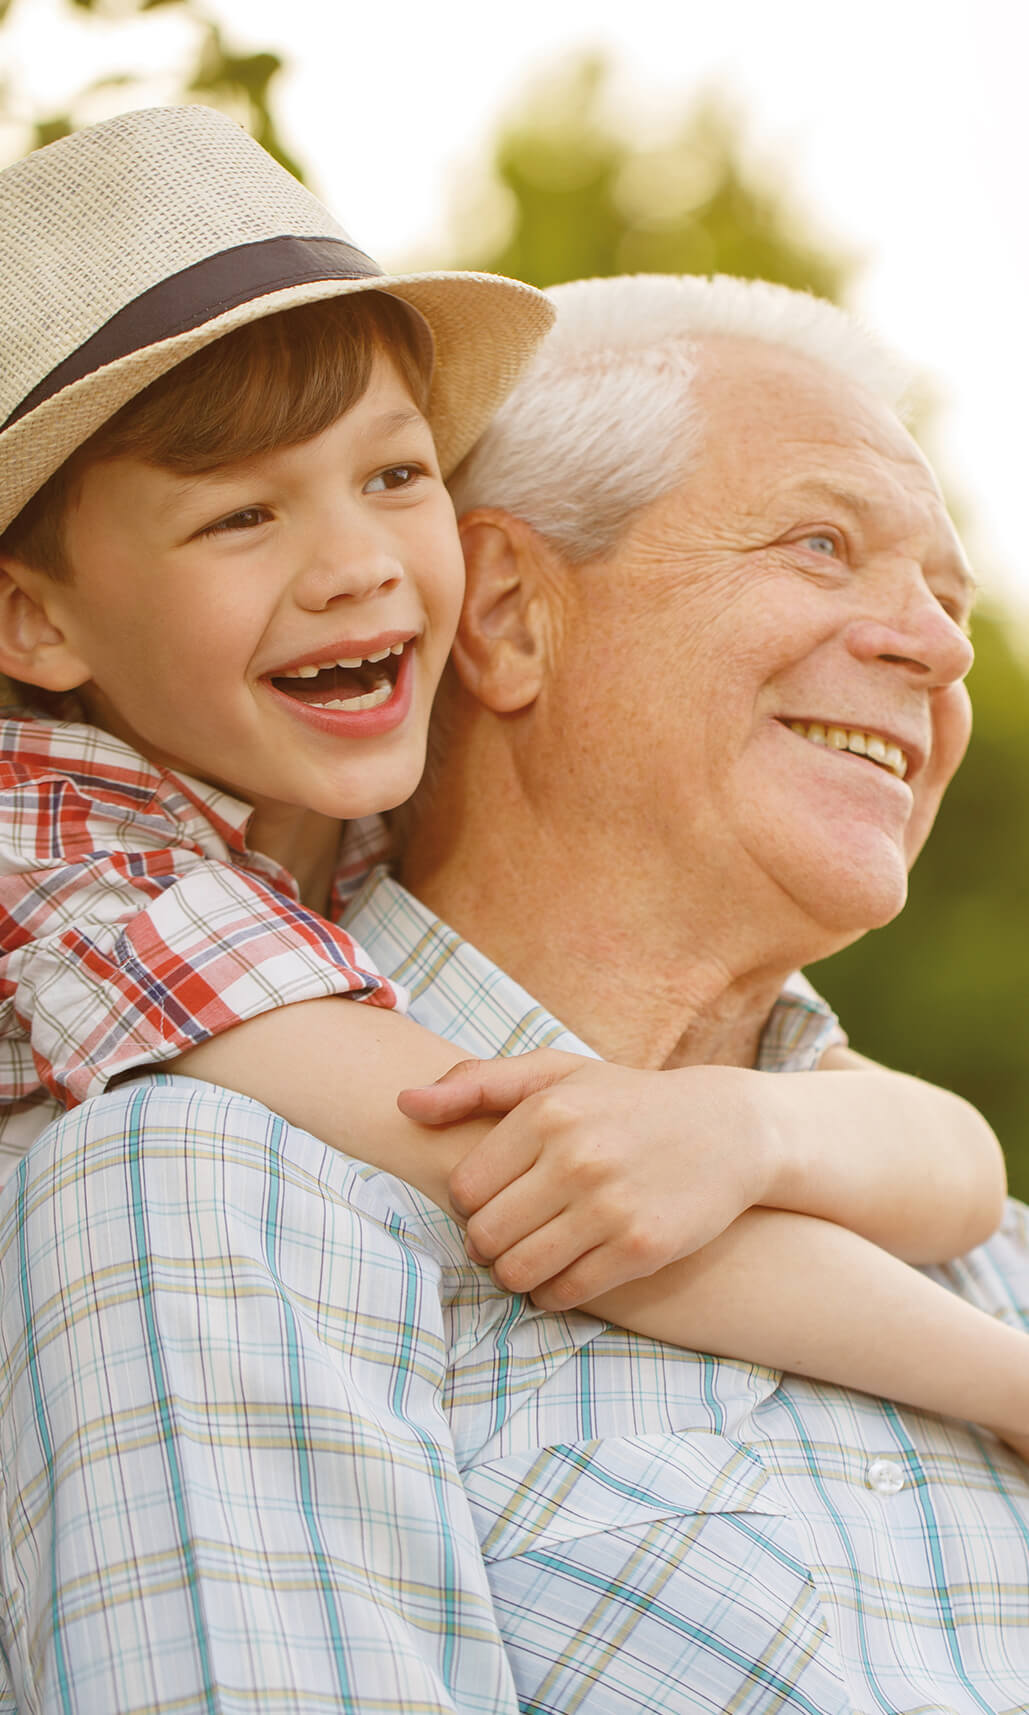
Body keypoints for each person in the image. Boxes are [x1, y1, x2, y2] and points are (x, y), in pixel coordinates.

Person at [0, 111, 1023, 1710]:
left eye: (391, 476)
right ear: (508, 612)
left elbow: (946, 1157)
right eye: (820, 545)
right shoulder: (195, 1107)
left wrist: (747, 1135)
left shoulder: (972, 1254)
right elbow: (503, 1159)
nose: (933, 648)